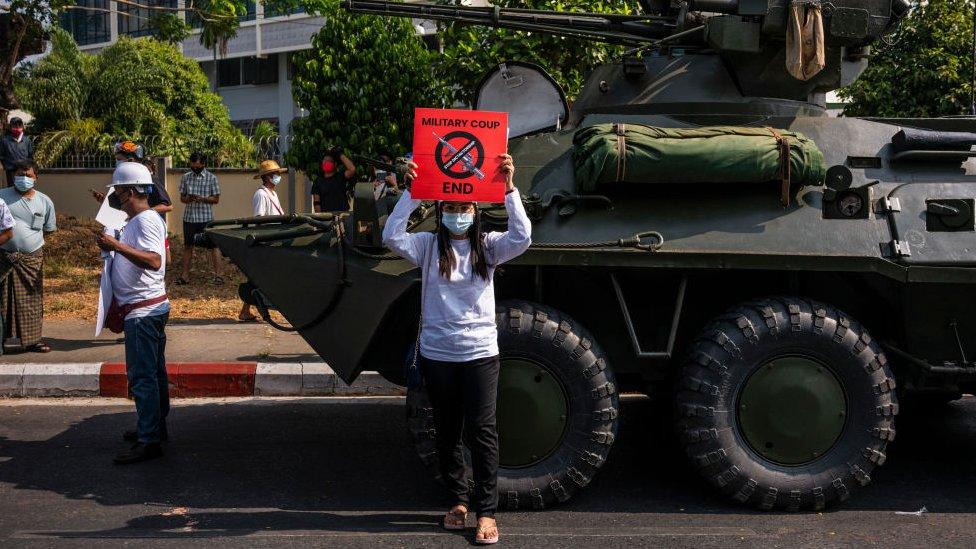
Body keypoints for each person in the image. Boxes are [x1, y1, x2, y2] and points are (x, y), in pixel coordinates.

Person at [382, 154, 531, 545]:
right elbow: (392, 236)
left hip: (480, 353)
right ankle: (458, 502)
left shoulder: (489, 246)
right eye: (449, 207)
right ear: (440, 209)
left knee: (482, 432)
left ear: (475, 208)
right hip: (438, 354)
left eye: (464, 206)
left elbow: (523, 237)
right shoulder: (428, 246)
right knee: (447, 432)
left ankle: (486, 512)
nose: (457, 213)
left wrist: (509, 188)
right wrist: (412, 192)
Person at [95, 162, 170, 465]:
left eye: (118, 193)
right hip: (144, 309)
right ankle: (154, 428)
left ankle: (149, 439)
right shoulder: (136, 219)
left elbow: (153, 261)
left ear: (128, 192)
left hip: (143, 312)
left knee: (143, 379)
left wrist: (114, 245)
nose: (116, 198)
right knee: (153, 375)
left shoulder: (146, 220)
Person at [0, 160, 56, 353]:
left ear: (36, 178)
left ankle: (33, 341)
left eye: (28, 175)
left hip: (31, 260)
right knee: (2, 300)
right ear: (13, 176)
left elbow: (48, 230)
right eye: (19, 175)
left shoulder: (44, 201)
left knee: (32, 300)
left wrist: (28, 244)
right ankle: (2, 340)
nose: (23, 179)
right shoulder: (2, 196)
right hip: (3, 257)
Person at [90, 142, 173, 262]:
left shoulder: (149, 179)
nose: (117, 162)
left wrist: (143, 213)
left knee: (163, 261)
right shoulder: (123, 179)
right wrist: (104, 201)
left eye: (119, 159)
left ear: (130, 160)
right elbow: (120, 206)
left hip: (147, 228)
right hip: (129, 228)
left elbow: (168, 206)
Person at [239, 159, 287, 322]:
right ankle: (255, 308)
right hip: (267, 239)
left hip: (273, 238)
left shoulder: (273, 193)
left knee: (259, 277)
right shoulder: (261, 194)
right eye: (275, 174)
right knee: (260, 277)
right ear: (267, 177)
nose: (278, 176)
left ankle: (247, 309)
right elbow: (259, 219)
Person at [177, 152, 221, 285]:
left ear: (203, 164)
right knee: (188, 246)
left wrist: (203, 199)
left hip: (206, 218)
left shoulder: (211, 178)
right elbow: (182, 198)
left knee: (213, 246)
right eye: (193, 166)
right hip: (189, 217)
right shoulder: (186, 177)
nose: (195, 168)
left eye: (198, 166)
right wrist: (188, 199)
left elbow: (216, 199)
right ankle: (185, 276)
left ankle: (219, 275)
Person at [311, 146, 356, 212]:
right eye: (324, 161)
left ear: (335, 164)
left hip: (342, 215)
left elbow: (352, 169)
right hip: (326, 217)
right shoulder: (317, 181)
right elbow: (317, 203)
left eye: (329, 161)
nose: (326, 163)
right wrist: (320, 218)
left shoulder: (340, 176)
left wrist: (340, 154)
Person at [1, 117, 34, 188]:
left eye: (19, 125)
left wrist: (28, 169)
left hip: (24, 171)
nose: (17, 127)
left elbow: (30, 156)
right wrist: (7, 166)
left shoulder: (27, 141)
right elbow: (1, 156)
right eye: (15, 126)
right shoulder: (5, 141)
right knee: (12, 190)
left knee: (24, 189)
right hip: (11, 171)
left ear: (22, 126)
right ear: (10, 127)